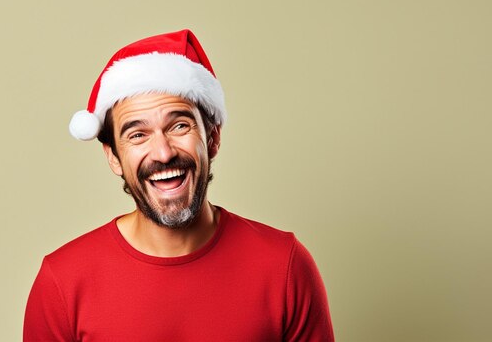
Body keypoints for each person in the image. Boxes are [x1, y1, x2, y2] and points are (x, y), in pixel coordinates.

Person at [24, 29, 334, 341]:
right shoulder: (62, 281)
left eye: (179, 125)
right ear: (114, 157)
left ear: (212, 138)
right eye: (137, 134)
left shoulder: (285, 265)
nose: (163, 152)